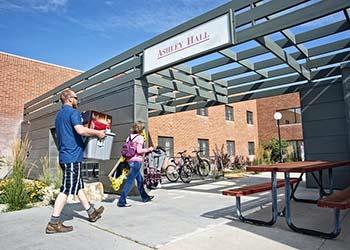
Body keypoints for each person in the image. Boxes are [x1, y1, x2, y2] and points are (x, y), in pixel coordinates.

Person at [46, 89, 106, 234]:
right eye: (76, 97)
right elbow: (80, 130)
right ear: (70, 99)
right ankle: (53, 223)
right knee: (66, 189)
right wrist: (98, 133)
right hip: (72, 157)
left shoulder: (59, 115)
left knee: (78, 186)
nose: (77, 100)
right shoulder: (73, 113)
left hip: (66, 156)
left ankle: (91, 213)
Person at [117, 121, 154, 207]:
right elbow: (139, 150)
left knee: (140, 180)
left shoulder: (129, 137)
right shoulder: (140, 137)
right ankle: (121, 201)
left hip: (129, 161)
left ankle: (145, 197)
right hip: (136, 162)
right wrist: (149, 149)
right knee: (130, 181)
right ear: (141, 129)